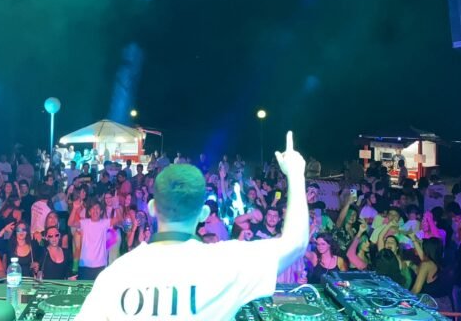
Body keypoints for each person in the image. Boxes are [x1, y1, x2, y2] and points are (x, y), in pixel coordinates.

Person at [75, 131, 309, 320]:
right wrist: (296, 174)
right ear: (203, 213)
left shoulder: (115, 275)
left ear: (152, 208)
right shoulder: (227, 263)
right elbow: (296, 243)